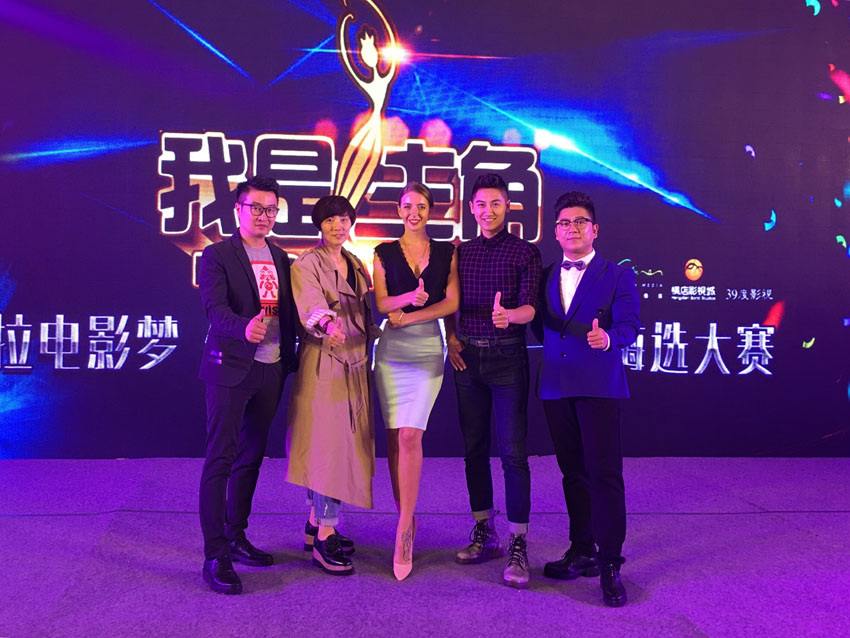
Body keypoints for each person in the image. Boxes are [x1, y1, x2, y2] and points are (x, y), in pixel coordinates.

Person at [531, 191, 640, 607]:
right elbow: (541, 327)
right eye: (564, 223)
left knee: (604, 474)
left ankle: (610, 562)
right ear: (555, 232)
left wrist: (608, 338)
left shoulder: (618, 275)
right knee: (572, 472)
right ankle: (582, 549)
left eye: (580, 222)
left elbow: (631, 326)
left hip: (599, 385)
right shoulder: (544, 275)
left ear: (595, 230)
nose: (572, 229)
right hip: (556, 384)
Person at [197, 175, 298, 595]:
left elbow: (291, 315)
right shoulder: (217, 254)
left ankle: (236, 535)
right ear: (238, 209)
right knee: (220, 457)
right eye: (256, 208)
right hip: (230, 367)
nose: (264, 216)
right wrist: (244, 327)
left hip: (270, 368)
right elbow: (214, 309)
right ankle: (215, 554)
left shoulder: (282, 258)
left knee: (251, 457)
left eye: (271, 209)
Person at [445, 173, 542, 588]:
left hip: (507, 360)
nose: (489, 211)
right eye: (481, 204)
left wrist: (510, 316)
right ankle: (485, 532)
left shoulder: (525, 252)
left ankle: (519, 543)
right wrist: (451, 338)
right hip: (467, 359)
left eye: (496, 204)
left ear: (508, 206)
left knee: (513, 454)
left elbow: (531, 307)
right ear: (471, 208)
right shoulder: (460, 252)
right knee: (474, 450)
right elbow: (449, 304)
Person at [285, 195, 380, 576]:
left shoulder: (355, 262)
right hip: (325, 360)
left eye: (343, 219)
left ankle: (315, 523)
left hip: (355, 362)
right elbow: (311, 305)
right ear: (319, 226)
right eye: (330, 221)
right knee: (329, 449)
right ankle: (325, 537)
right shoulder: (306, 263)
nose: (338, 226)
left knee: (338, 446)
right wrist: (327, 325)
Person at [372, 182, 459, 580]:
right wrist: (406, 301)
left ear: (430, 210)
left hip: (426, 349)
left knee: (411, 436)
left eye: (421, 206)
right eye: (407, 206)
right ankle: (404, 515)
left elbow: (452, 302)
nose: (414, 213)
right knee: (394, 438)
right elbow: (381, 303)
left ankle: (404, 529)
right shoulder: (383, 252)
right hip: (391, 352)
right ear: (398, 209)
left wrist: (412, 315)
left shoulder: (447, 252)